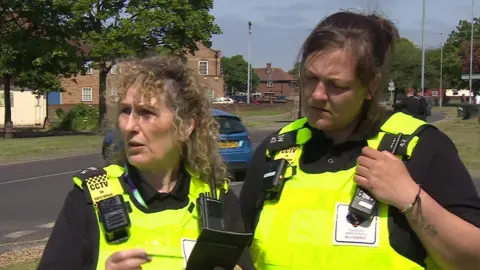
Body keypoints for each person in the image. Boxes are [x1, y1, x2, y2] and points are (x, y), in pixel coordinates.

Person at [239, 11, 480, 270]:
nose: (317, 95)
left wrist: (410, 198)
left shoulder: (421, 148)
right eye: (310, 78)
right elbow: (238, 251)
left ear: (372, 87)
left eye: (336, 86)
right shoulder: (277, 150)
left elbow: (472, 260)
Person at [38, 56, 253, 270]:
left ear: (186, 126)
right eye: (125, 111)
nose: (129, 126)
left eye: (146, 113)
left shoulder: (217, 199)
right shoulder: (89, 198)